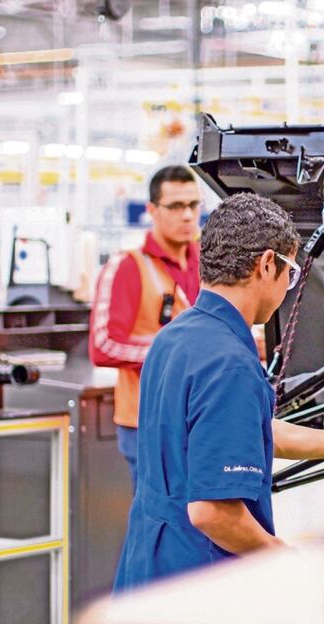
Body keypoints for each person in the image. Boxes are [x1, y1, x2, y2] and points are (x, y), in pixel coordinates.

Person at [113, 193, 324, 592]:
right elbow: (213, 513)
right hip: (201, 583)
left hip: (148, 569)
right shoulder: (229, 363)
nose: (288, 287)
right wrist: (290, 562)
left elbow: (247, 431)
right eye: (290, 273)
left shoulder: (175, 337)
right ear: (267, 264)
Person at [89, 165, 202, 494]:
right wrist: (176, 351)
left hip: (199, 419)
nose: (187, 215)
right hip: (148, 424)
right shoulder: (128, 267)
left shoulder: (208, 265)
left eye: (193, 205)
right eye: (175, 206)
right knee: (158, 520)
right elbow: (103, 345)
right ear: (152, 210)